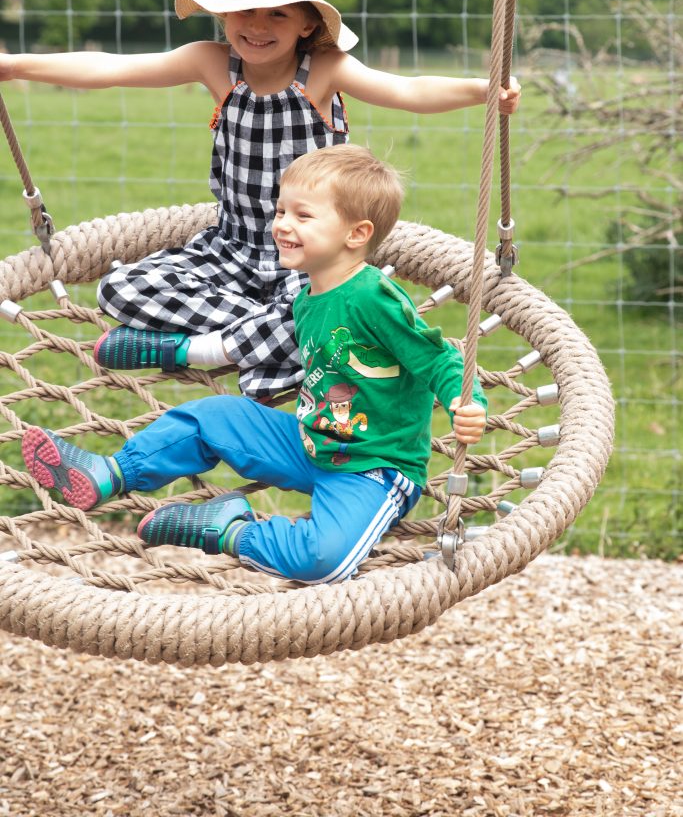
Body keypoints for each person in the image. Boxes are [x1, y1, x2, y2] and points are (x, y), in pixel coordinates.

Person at [1, 0, 520, 399]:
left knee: (328, 306)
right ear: (223, 15)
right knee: (121, 289)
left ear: (307, 23)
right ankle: (280, 345)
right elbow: (113, 69)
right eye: (244, 11)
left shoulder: (324, 70)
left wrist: (482, 91)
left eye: (277, 14)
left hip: (309, 256)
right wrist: (15, 65)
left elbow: (407, 90)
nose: (256, 26)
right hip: (231, 248)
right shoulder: (211, 61)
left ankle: (206, 351)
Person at [21, 144, 488, 584]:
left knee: (324, 561)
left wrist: (465, 402)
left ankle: (230, 529)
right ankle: (111, 473)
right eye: (282, 210)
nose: (282, 224)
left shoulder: (372, 298)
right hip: (309, 441)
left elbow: (441, 356)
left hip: (373, 468)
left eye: (303, 216)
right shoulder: (307, 295)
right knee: (211, 417)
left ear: (357, 234)